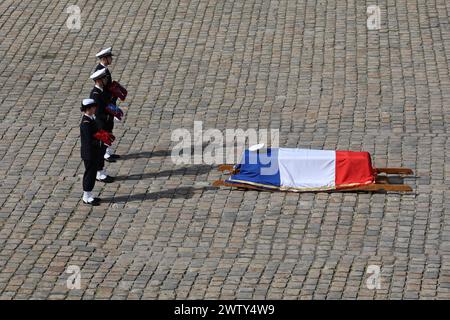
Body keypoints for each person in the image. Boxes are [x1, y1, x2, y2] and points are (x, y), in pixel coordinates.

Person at [95, 47, 120, 161]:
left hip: (109, 103)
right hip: (105, 105)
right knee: (105, 129)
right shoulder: (100, 72)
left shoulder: (105, 70)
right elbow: (103, 91)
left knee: (109, 128)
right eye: (110, 57)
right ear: (104, 58)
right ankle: (105, 153)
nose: (111, 59)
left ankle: (108, 152)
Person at [90, 68, 115, 183]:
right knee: (100, 149)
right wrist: (110, 117)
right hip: (101, 124)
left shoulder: (102, 90)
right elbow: (98, 112)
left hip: (105, 122)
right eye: (104, 78)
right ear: (99, 81)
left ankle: (101, 171)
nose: (106, 80)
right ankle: (99, 172)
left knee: (103, 147)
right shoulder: (95, 94)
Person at [80, 99, 102, 206]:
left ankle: (89, 194)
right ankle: (86, 196)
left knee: (92, 174)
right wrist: (101, 139)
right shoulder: (86, 123)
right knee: (90, 174)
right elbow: (89, 140)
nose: (95, 109)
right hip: (89, 153)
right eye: (93, 107)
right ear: (88, 109)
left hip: (93, 152)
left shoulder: (91, 119)